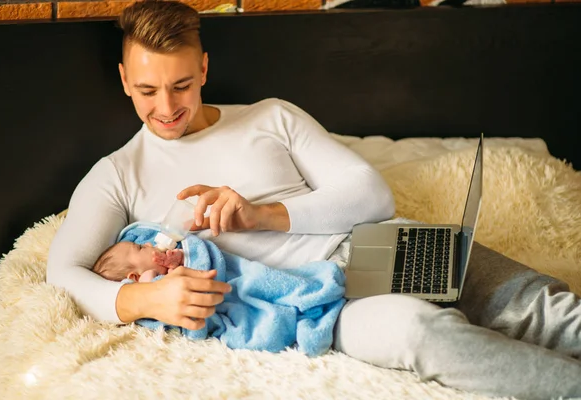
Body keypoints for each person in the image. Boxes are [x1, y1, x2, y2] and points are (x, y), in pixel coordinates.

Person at [42, 2, 581, 399]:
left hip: (370, 245)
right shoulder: (116, 173)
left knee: (545, 310)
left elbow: (372, 194)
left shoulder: (270, 116)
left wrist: (260, 214)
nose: (166, 107)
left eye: (181, 85)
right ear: (124, 80)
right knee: (425, 333)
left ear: (204, 68)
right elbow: (62, 272)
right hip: (317, 305)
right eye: (147, 91)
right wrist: (146, 300)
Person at [91, 222, 345, 356]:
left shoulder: (157, 263)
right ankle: (303, 306)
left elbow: (191, 261)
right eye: (140, 249)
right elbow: (160, 292)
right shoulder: (145, 280)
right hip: (215, 301)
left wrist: (176, 260)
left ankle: (304, 295)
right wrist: (163, 268)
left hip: (230, 278)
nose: (147, 244)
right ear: (132, 276)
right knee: (252, 304)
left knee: (256, 278)